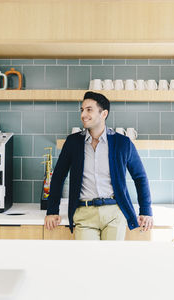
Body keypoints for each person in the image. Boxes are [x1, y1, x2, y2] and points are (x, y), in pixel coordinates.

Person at [44, 91, 153, 240]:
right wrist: (52, 210)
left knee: (111, 261)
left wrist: (146, 210)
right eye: (82, 110)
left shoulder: (122, 143)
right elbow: (58, 177)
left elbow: (140, 177)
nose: (83, 114)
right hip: (84, 213)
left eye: (89, 110)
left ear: (104, 114)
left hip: (114, 213)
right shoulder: (73, 142)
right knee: (88, 262)